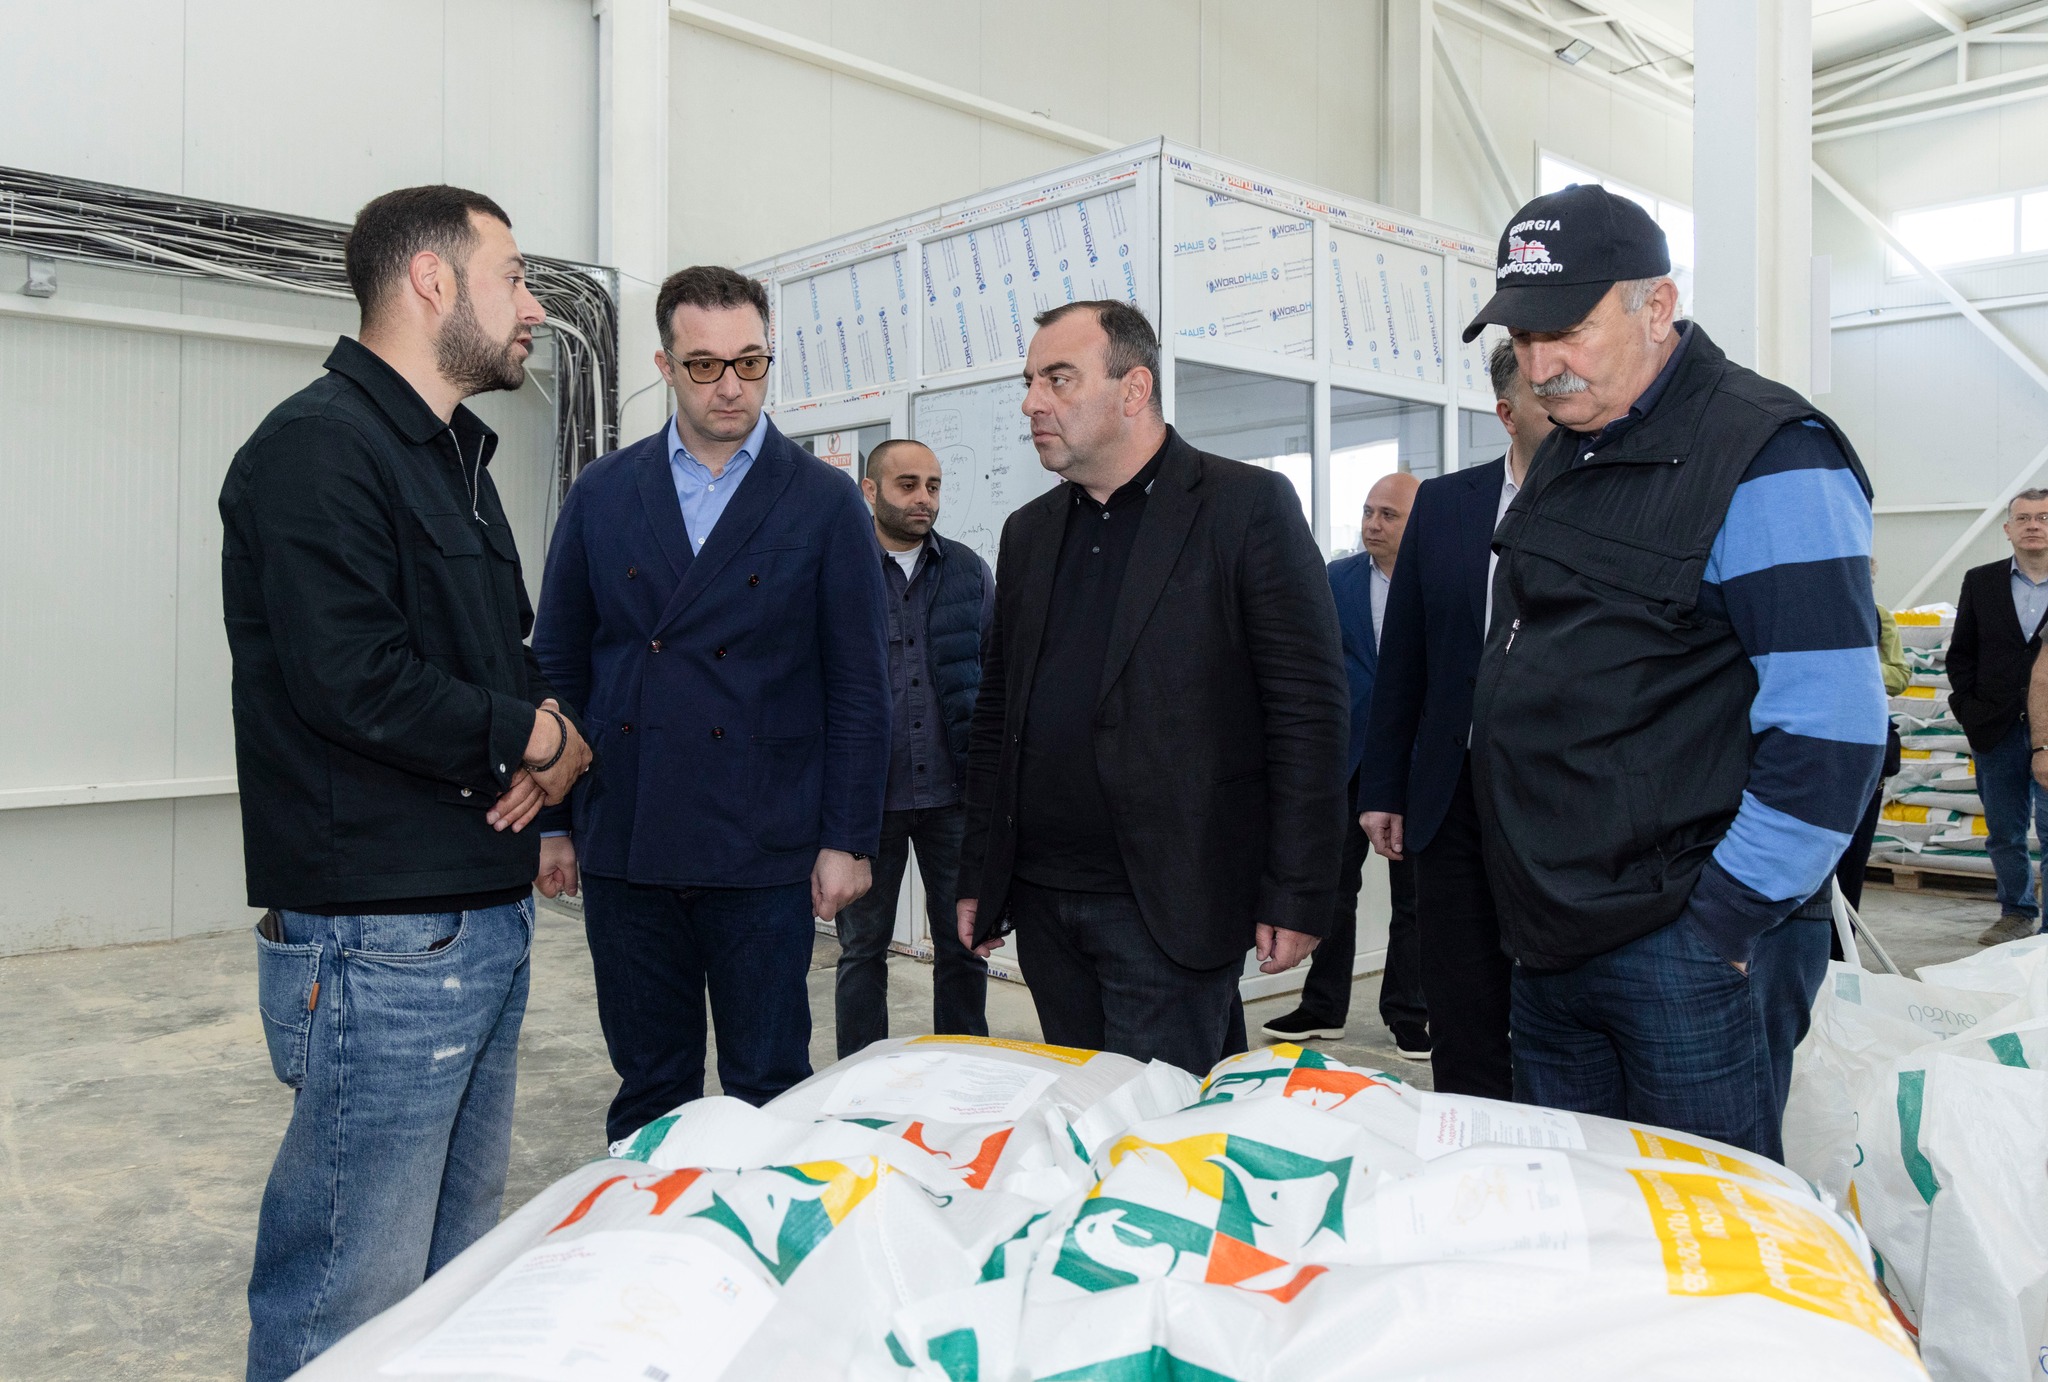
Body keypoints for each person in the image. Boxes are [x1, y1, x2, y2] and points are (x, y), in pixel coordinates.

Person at [222, 185, 593, 1381]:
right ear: (433, 280)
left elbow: (502, 657)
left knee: (444, 1281)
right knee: (347, 1292)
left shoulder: (454, 459)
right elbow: (349, 676)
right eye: (515, 275)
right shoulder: (317, 448)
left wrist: (551, 735)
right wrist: (531, 736)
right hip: (380, 943)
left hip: (473, 915)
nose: (534, 306)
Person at [1463, 183, 1885, 1162]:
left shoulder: (1768, 454)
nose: (1540, 367)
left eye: (1566, 332)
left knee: (1704, 1226)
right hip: (1552, 934)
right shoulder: (1572, 448)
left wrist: (1723, 924)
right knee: (1580, 1213)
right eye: (1522, 339)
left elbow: (1831, 731)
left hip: (1683, 945)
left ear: (1656, 307)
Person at [531, 265, 890, 1145]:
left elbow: (858, 684)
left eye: (750, 362)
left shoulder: (824, 500)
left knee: (768, 1084)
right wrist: (553, 822)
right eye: (704, 366)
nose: (731, 386)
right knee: (650, 1085)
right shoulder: (604, 491)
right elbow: (558, 662)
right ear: (664, 365)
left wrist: (847, 838)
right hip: (630, 829)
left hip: (764, 840)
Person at [953, 300, 1350, 1075]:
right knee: (1085, 1113)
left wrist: (1300, 891)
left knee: (1158, 1128)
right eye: (1030, 382)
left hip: (1173, 899)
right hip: (1044, 900)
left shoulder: (1245, 507)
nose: (1032, 402)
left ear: (1134, 389)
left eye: (1058, 379)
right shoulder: (1028, 532)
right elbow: (998, 714)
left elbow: (1307, 712)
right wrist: (981, 875)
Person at [1356, 340, 1553, 1099]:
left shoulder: (1609, 499)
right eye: (1545, 392)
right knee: (1461, 994)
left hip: (1561, 794)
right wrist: (1384, 785)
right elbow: (1405, 655)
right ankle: (1469, 1130)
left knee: (1553, 999)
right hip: (1453, 793)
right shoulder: (1445, 505)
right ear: (1507, 413)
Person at [832, 439, 995, 1057]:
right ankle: (861, 1075)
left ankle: (963, 1067)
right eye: (907, 485)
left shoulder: (968, 571)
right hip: (868, 801)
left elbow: (994, 676)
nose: (923, 498)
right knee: (862, 949)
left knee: (963, 945)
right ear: (870, 490)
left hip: (954, 797)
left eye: (932, 485)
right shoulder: (839, 571)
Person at [1262, 473, 1428, 1056]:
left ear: (1418, 522)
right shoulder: (1337, 580)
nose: (1371, 525)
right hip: (1348, 757)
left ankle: (1410, 1013)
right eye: (1367, 512)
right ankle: (1323, 1006)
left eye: (1388, 515)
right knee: (1332, 887)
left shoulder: (1439, 578)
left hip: (1414, 762)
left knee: (1414, 898)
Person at [1948, 492, 2048, 945]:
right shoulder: (1981, 581)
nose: (2033, 525)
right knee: (2005, 831)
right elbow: (1961, 655)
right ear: (2008, 529)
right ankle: (2016, 912)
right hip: (1997, 727)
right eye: (2023, 518)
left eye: (2043, 517)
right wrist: (1970, 712)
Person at [1833, 562, 1909, 918]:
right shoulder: (1805, 616)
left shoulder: (1879, 617)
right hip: (1815, 744)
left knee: (1855, 850)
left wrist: (1858, 664)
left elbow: (1899, 676)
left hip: (1866, 744)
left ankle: (1842, 941)